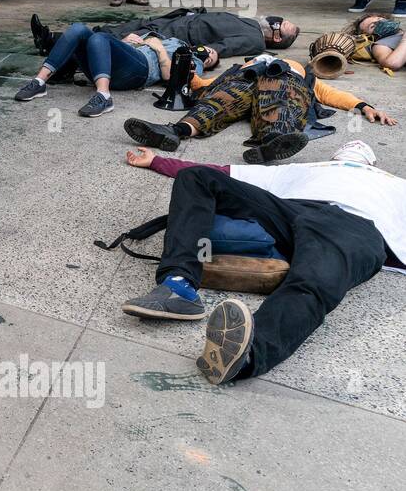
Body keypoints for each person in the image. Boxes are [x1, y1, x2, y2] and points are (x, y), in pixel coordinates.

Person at [118, 141, 405, 385]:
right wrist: (156, 160)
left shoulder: (394, 184)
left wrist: (157, 160)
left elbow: (228, 169)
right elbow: (224, 172)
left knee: (314, 280)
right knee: (198, 177)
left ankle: (249, 353)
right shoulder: (305, 169)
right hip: (293, 210)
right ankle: (178, 286)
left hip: (355, 226)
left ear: (372, 163)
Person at [124, 55, 395, 163]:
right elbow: (203, 87)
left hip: (285, 83)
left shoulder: (302, 72)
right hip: (243, 84)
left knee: (278, 84)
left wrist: (363, 105)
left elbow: (331, 94)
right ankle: (176, 131)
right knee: (223, 97)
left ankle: (274, 141)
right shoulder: (240, 69)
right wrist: (187, 67)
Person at [14, 21, 209, 116]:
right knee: (78, 28)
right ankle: (39, 81)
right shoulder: (163, 36)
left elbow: (169, 77)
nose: (209, 51)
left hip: (140, 70)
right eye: (209, 49)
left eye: (211, 55)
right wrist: (122, 43)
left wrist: (159, 49)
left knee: (99, 37)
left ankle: (104, 97)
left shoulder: (190, 57)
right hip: (107, 66)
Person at [95, 10, 301, 58]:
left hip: (180, 32)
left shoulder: (255, 40)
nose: (277, 20)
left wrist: (200, 53)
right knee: (116, 29)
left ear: (276, 37)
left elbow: (225, 47)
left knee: (111, 38)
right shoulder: (252, 23)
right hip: (178, 19)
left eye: (281, 24)